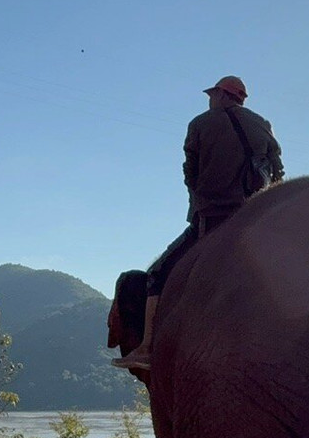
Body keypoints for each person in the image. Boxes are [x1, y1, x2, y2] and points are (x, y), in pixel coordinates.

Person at [112, 75, 284, 370]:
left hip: (213, 219)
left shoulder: (201, 124)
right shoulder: (263, 125)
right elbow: (279, 172)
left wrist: (202, 200)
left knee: (156, 274)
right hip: (255, 222)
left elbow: (190, 174)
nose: (210, 100)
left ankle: (147, 347)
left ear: (221, 95)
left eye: (212, 95)